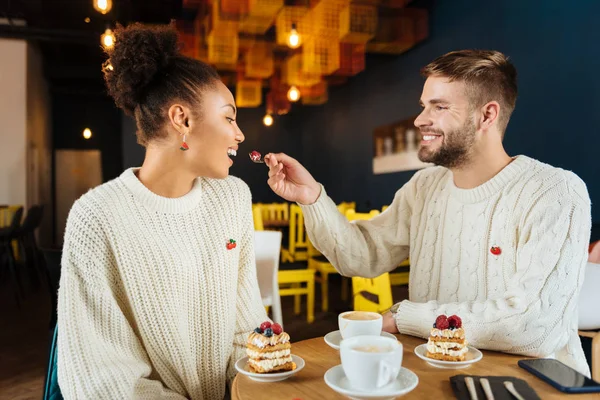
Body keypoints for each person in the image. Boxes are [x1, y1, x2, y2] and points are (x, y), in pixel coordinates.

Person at [265, 50, 592, 376]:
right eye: (424, 105)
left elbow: (532, 325)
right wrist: (312, 198)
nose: (420, 119)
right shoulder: (424, 187)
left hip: (534, 386)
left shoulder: (555, 191)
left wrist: (403, 317)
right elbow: (360, 256)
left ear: (487, 116)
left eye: (439, 106)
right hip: (437, 376)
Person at [57, 23, 267, 399]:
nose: (240, 134)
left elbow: (246, 327)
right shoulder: (96, 218)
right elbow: (104, 381)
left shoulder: (233, 197)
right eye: (229, 118)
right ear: (182, 119)